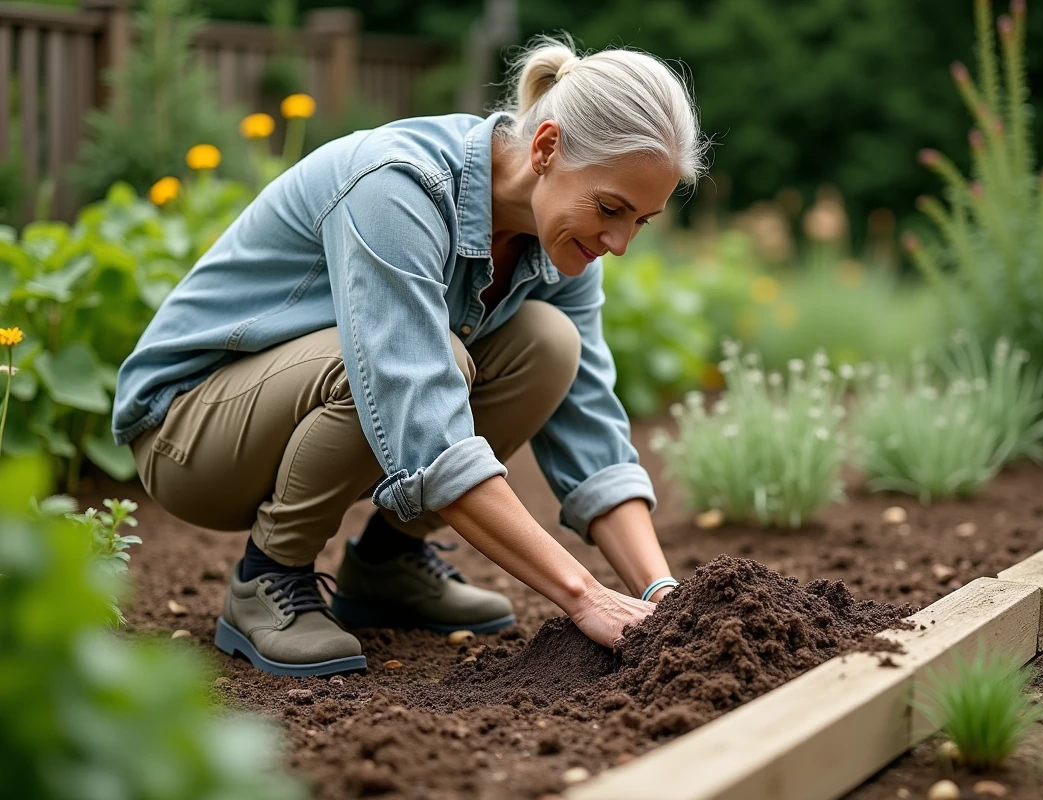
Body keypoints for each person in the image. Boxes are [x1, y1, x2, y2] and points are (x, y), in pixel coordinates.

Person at [112, 34, 709, 678]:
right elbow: (419, 411)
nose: (619, 242)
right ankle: (269, 578)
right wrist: (584, 597)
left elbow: (589, 422)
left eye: (641, 220)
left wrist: (662, 598)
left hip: (300, 407)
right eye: (611, 208)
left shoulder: (561, 241)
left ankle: (389, 565)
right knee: (433, 361)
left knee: (550, 344)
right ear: (545, 148)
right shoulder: (399, 185)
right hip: (190, 434)